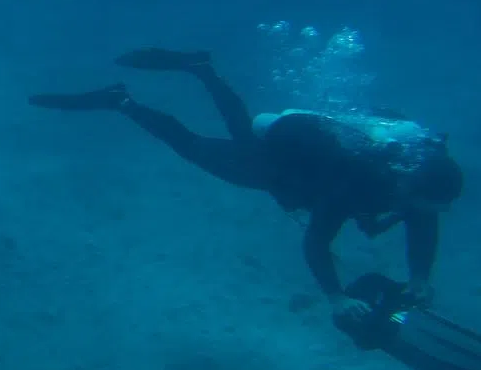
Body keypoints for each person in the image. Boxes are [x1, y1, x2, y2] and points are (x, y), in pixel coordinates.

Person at [28, 47, 464, 321]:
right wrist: (334, 297)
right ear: (409, 180)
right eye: (423, 203)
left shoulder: (412, 182)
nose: (424, 214)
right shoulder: (355, 181)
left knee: (241, 128)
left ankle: (202, 69)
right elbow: (317, 241)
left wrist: (421, 276)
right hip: (279, 163)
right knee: (194, 146)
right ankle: (121, 100)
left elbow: (423, 220)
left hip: (290, 149)